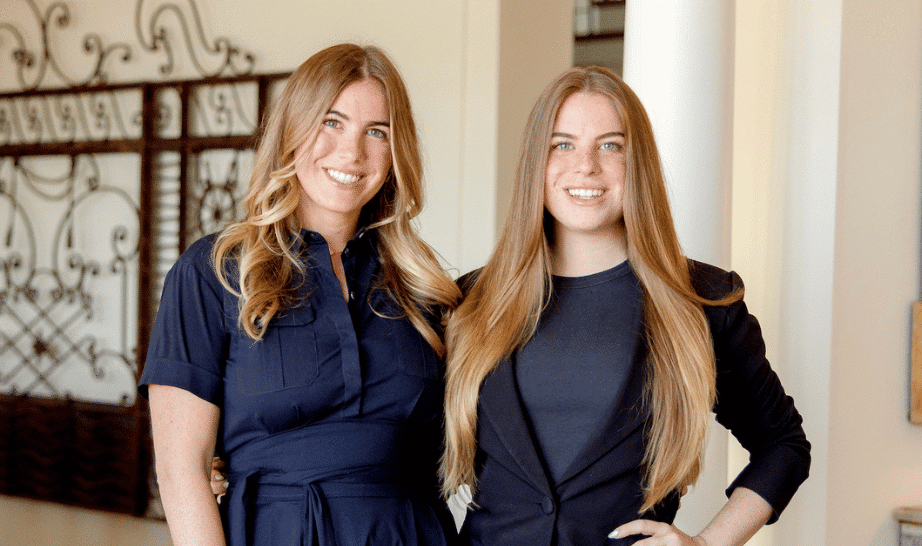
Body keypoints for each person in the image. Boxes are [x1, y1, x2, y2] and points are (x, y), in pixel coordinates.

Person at [439, 66, 811, 546]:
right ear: (535, 162)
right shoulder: (470, 301)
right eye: (562, 144)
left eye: (610, 146)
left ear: (639, 164)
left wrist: (707, 544)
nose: (586, 166)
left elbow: (783, 445)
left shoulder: (702, 301)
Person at [139, 43, 461, 546]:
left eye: (377, 132)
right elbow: (183, 472)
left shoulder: (424, 287)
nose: (352, 152)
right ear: (292, 129)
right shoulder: (213, 272)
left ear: (397, 151)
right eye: (332, 122)